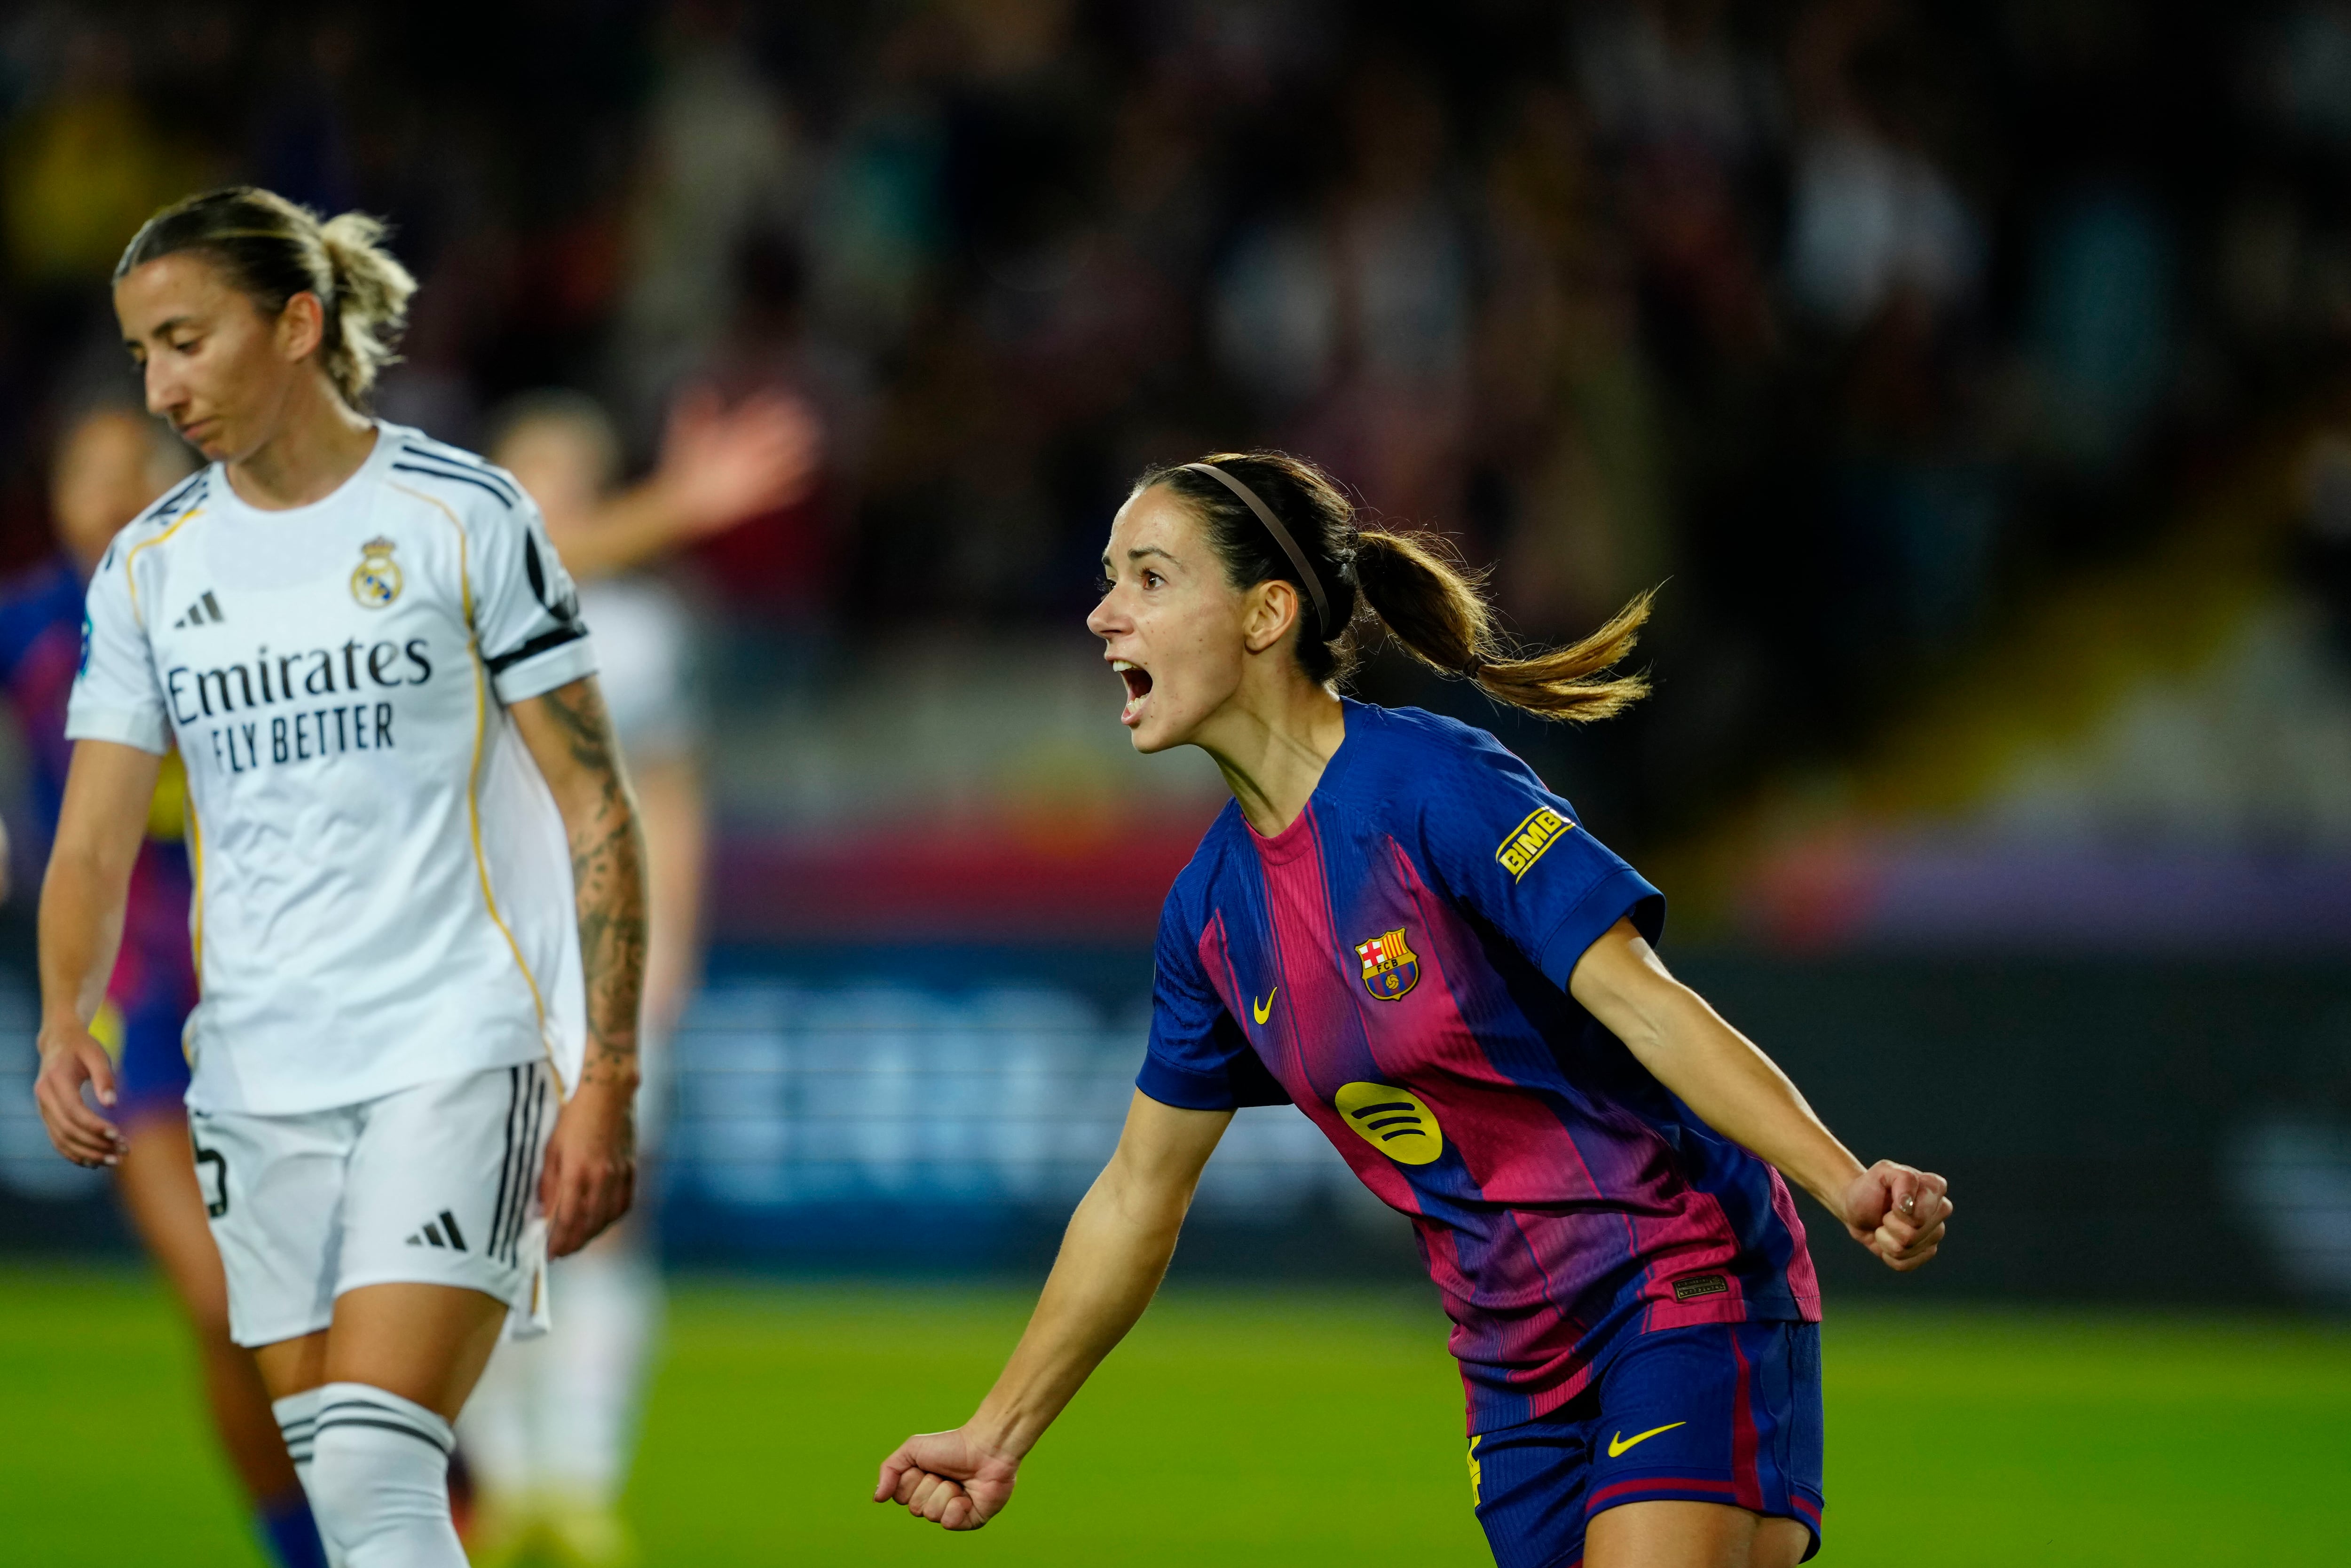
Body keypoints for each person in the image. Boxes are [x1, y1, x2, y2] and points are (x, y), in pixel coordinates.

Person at [876, 452, 1953, 1568]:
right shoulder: (1208, 916)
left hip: (1677, 1283)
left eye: (1149, 579)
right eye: (1109, 579)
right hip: (1512, 1368)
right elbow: (1136, 1196)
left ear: (1266, 615)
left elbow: (1647, 1007)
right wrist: (996, 1434)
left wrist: (1843, 1181)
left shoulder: (1435, 790)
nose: (1104, 615)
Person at [31, 186, 646, 1568]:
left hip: (455, 1045)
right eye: (142, 353)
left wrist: (604, 1069)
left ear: (299, 323)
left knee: (373, 1466)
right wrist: (65, 1011)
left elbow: (598, 804)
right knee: (349, 1503)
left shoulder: (462, 516)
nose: (161, 386)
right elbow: (91, 836)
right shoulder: (149, 570)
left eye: (185, 340)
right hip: (253, 1079)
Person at [455, 386, 817, 1566]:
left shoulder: (649, 631)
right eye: (528, 478)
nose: (546, 500)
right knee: (479, 1233)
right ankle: (504, 1487)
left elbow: (671, 794)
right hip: (471, 966)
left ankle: (583, 1480)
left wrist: (668, 956)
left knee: (601, 1220)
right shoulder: (460, 607)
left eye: (566, 476)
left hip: (601, 970)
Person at [0, 407, 329, 1568]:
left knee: (303, 1294)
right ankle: (319, 1536)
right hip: (131, 1006)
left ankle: (407, 1477)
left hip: (273, 989)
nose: (107, 497)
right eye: (85, 475)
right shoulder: (30, 631)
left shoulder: (244, 612)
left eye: (131, 475)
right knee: (217, 1299)